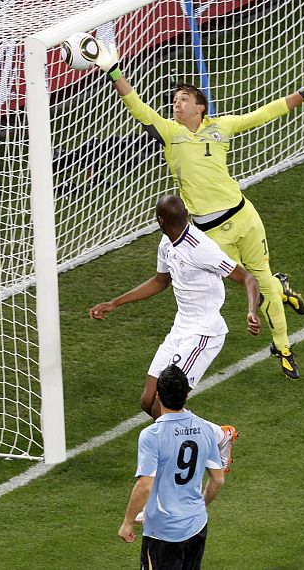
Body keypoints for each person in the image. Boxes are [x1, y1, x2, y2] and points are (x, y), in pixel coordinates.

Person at [94, 41, 304, 379]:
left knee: (262, 282)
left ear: (200, 107)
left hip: (244, 216)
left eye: (183, 99)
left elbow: (266, 113)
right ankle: (280, 289)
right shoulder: (170, 133)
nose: (176, 104)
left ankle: (282, 347)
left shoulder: (222, 126)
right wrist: (112, 70)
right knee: (246, 281)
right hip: (210, 233)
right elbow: (135, 104)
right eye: (174, 101)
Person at [90, 194, 260, 471]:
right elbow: (161, 281)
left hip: (204, 333)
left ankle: (178, 461)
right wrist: (115, 303)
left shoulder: (201, 248)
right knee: (148, 401)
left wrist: (251, 311)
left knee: (164, 403)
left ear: (160, 220)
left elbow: (247, 277)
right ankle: (219, 435)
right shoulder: (167, 243)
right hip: (181, 328)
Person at [118, 364, 225, 570]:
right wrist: (198, 507)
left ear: (157, 395)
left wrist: (127, 523)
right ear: (186, 394)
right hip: (197, 525)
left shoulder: (152, 435)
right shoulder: (205, 428)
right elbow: (218, 479)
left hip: (164, 532)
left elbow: (144, 486)